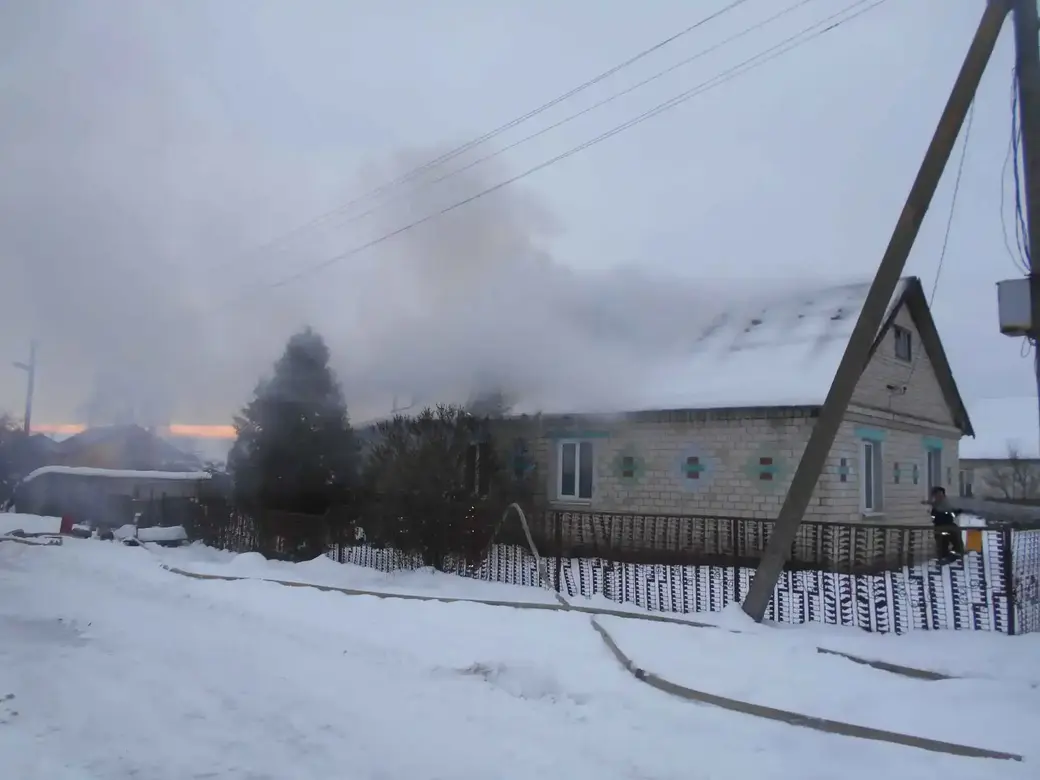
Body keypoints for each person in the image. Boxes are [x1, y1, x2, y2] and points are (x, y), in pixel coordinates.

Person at [928, 486, 965, 562]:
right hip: (940, 528)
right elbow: (934, 517)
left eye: (941, 495)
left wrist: (957, 511)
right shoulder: (935, 507)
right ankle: (943, 556)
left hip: (950, 526)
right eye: (937, 495)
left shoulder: (948, 504)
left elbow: (955, 512)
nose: (939, 497)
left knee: (956, 537)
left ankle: (956, 554)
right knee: (942, 543)